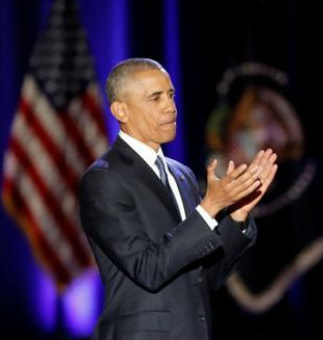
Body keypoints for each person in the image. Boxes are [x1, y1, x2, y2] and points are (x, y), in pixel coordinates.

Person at [79, 58, 278, 340]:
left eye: (171, 94)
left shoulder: (181, 175)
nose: (170, 106)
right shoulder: (104, 179)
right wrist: (210, 207)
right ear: (121, 110)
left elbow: (205, 276)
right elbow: (148, 269)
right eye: (155, 98)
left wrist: (237, 216)